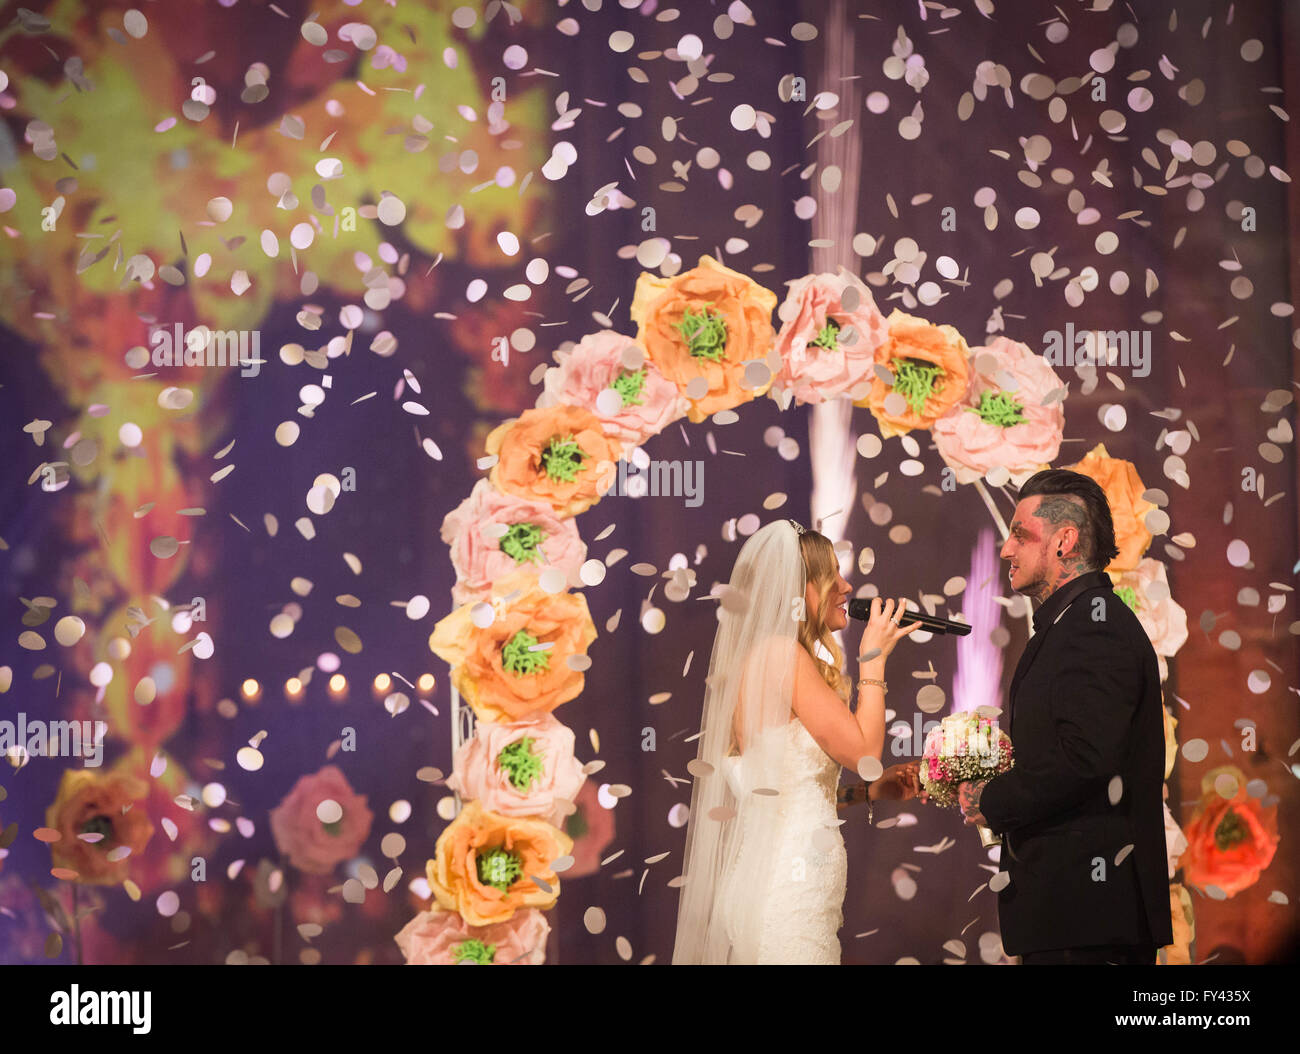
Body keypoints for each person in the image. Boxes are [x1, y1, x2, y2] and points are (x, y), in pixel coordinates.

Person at [672, 517, 922, 964]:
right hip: (789, 893)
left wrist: (868, 791)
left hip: (770, 881)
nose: (847, 588)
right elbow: (866, 754)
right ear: (799, 589)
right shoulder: (782, 655)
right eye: (832, 576)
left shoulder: (763, 657)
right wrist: (874, 659)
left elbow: (782, 791)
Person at [956, 469, 1174, 964]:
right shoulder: (1073, 623)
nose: (1006, 550)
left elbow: (1084, 760)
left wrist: (994, 798)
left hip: (1088, 921)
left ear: (1064, 541)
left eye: (1018, 534)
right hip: (1075, 918)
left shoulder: (1092, 627)